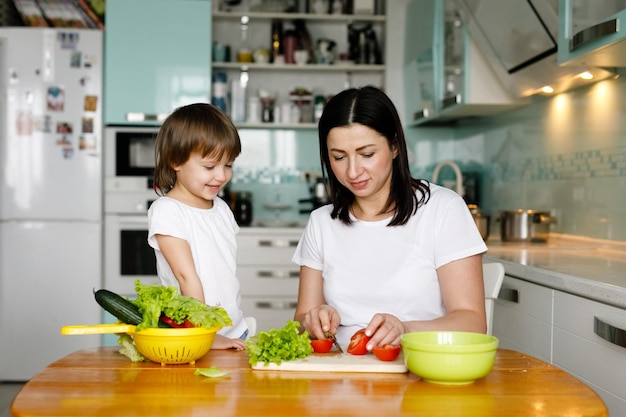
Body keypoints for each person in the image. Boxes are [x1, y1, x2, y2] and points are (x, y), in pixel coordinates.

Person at [292, 86, 488, 351]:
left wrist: (405, 329)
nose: (352, 171)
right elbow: (302, 320)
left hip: (420, 368)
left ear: (395, 146)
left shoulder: (443, 209)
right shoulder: (322, 222)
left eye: (367, 154)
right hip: (342, 375)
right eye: (339, 157)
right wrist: (312, 321)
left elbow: (472, 322)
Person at [148, 103, 246, 350]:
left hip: (234, 331)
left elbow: (223, 272)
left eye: (228, 165)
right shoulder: (167, 211)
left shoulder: (221, 208)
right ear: (175, 160)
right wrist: (205, 334)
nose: (222, 176)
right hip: (194, 335)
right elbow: (185, 277)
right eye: (210, 167)